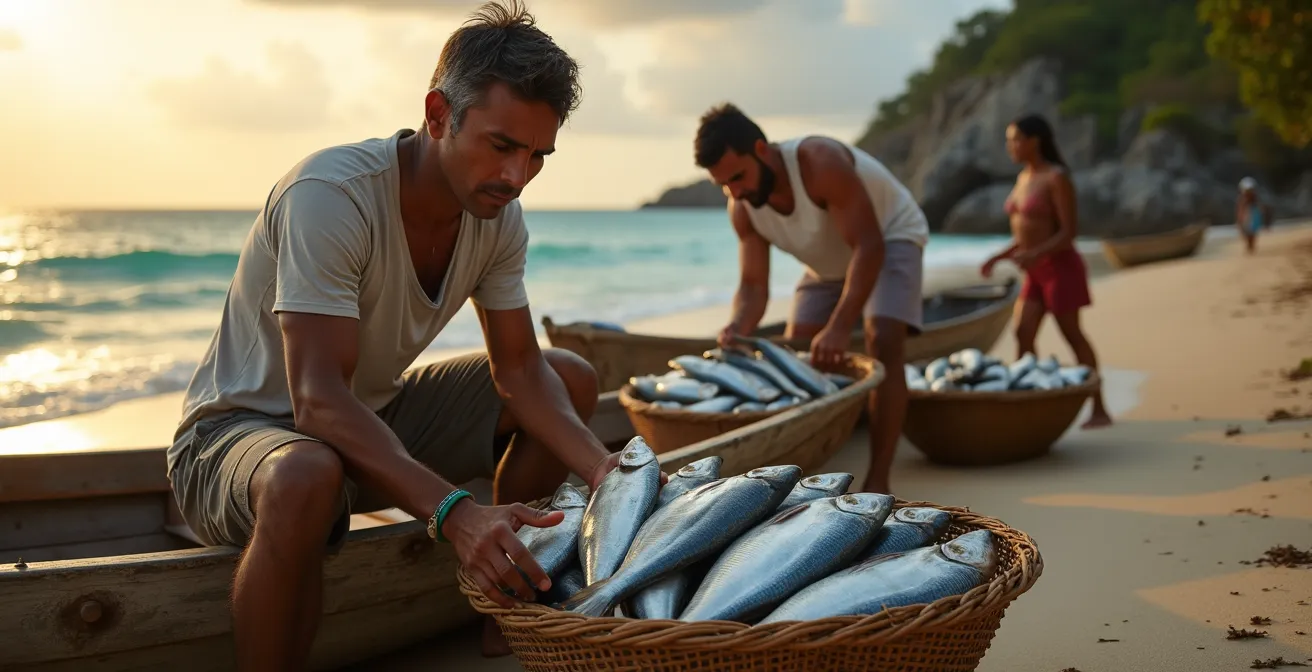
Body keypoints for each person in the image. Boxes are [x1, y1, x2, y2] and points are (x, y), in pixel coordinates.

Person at [166, 2, 638, 668]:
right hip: (238, 443)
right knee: (307, 471)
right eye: (502, 146)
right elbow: (318, 402)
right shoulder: (332, 195)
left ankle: (511, 603)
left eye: (537, 155)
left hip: (372, 425)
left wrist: (603, 470)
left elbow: (522, 373)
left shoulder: (498, 217)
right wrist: (455, 513)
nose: (517, 176)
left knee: (567, 376)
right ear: (439, 114)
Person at [694, 103, 930, 496]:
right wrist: (738, 326)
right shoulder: (743, 206)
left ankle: (879, 475)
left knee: (883, 337)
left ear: (762, 149)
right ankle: (822, 452)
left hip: (889, 237)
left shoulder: (820, 163)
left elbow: (869, 248)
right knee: (799, 352)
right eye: (725, 185)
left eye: (739, 176)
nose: (738, 193)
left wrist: (839, 326)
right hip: (827, 264)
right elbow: (753, 287)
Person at [981, 113, 1112, 429]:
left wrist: (1035, 254)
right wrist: (999, 257)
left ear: (1033, 141)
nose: (1009, 146)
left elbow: (1068, 232)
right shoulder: (1023, 178)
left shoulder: (1056, 178)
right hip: (1034, 272)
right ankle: (1027, 402)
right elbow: (1024, 231)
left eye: (1014, 139)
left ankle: (1098, 407)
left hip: (1060, 268)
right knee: (1023, 332)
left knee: (1072, 336)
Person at [1236, 176, 1273, 254]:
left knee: (1252, 233)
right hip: (1247, 217)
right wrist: (1239, 221)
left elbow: (1262, 209)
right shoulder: (1242, 200)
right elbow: (1240, 211)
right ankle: (1249, 245)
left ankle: (1251, 246)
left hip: (1253, 216)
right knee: (1246, 233)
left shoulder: (1255, 199)